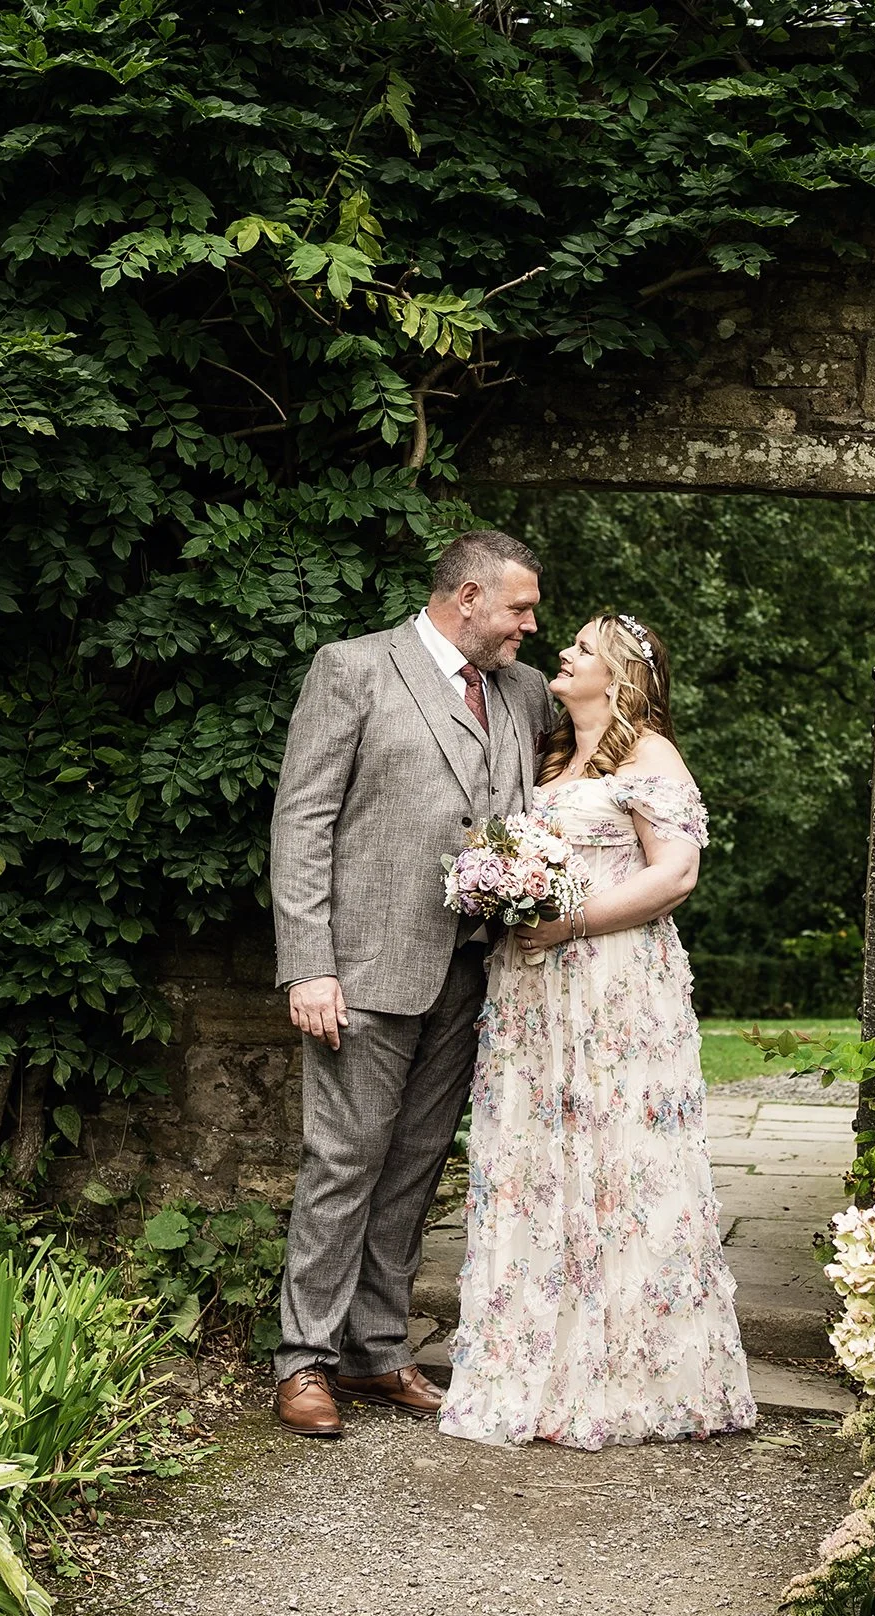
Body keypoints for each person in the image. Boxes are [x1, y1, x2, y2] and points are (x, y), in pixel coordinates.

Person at [440, 611, 758, 1449]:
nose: (564, 652)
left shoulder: (651, 755)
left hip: (614, 989)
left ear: (616, 676)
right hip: (534, 995)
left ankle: (628, 1375)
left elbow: (676, 874)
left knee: (618, 1163)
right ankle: (536, 1368)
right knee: (537, 1165)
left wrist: (569, 921)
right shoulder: (551, 755)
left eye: (581, 647)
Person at [267, 529, 551, 1438]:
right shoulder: (352, 669)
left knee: (417, 1166)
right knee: (343, 1160)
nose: (528, 627)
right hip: (366, 967)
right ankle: (302, 1359)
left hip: (476, 973)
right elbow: (302, 820)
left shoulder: (525, 692)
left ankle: (376, 1350)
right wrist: (308, 961)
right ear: (467, 597)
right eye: (518, 608)